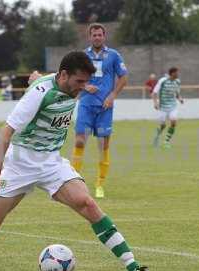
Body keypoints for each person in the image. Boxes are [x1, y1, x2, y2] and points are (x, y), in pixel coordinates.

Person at [0, 51, 159, 271]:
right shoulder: (38, 94)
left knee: (88, 204)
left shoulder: (66, 84)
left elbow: (49, 79)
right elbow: (6, 132)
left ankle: (133, 266)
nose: (82, 87)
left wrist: (41, 77)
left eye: (86, 82)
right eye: (79, 81)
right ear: (64, 75)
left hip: (51, 163)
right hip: (20, 165)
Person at [29, 23, 128, 199]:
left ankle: (100, 184)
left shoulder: (113, 55)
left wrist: (112, 95)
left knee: (103, 146)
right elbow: (73, 78)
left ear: (104, 36)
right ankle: (74, 181)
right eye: (94, 35)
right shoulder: (83, 57)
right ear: (89, 37)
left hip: (105, 106)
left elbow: (123, 77)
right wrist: (86, 86)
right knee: (80, 142)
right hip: (85, 104)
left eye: (100, 35)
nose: (97, 37)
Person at [152, 67, 184, 148]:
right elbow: (155, 92)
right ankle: (157, 136)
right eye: (176, 73)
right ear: (172, 73)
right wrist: (155, 103)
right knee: (163, 125)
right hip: (162, 107)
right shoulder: (162, 81)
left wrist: (180, 98)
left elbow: (177, 93)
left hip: (173, 106)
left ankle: (166, 141)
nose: (178, 74)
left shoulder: (177, 81)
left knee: (173, 121)